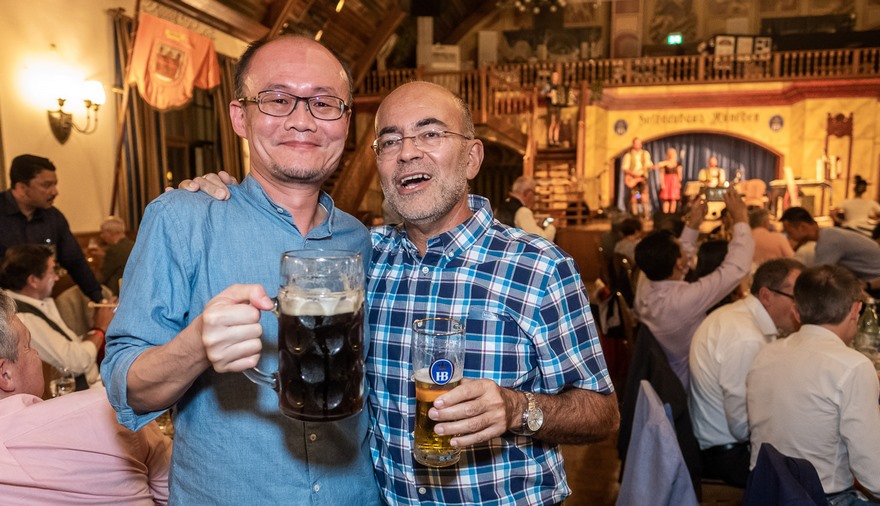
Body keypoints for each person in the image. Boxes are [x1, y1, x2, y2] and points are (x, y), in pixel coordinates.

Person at [187, 81, 620, 505]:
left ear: (472, 158)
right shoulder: (362, 256)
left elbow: (602, 412)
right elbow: (283, 234)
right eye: (390, 141)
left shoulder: (540, 267)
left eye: (430, 134)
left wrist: (516, 409)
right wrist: (218, 200)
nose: (407, 152)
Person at [100, 35, 382, 504]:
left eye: (323, 103)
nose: (302, 119)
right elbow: (126, 388)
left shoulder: (363, 241)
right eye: (277, 99)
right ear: (239, 117)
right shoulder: (182, 219)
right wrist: (194, 347)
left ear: (346, 123)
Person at [746, 264, 880, 503]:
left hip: (765, 492)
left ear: (796, 312)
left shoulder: (765, 354)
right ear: (856, 310)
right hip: (821, 498)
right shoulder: (852, 366)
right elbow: (878, 480)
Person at [0, 291, 171, 503]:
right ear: (5, 375)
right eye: (28, 346)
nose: (38, 355)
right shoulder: (107, 413)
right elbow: (178, 490)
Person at [689, 258, 803, 488]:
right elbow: (741, 426)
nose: (802, 307)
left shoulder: (738, 314)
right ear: (766, 296)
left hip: (723, 441)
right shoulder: (746, 338)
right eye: (796, 298)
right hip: (727, 454)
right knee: (814, 468)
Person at [633, 188, 753, 388]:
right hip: (688, 385)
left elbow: (679, 257)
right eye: (681, 250)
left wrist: (693, 224)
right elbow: (735, 270)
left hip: (662, 376)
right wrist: (741, 219)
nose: (687, 250)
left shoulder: (645, 281)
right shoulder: (681, 301)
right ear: (679, 263)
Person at [0, 244, 112, 390]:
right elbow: (75, 363)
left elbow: (69, 345)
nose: (57, 277)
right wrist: (100, 328)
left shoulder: (38, 304)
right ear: (33, 280)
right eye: (52, 271)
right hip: (76, 394)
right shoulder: (21, 317)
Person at [0, 155, 104, 303]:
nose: (55, 192)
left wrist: (99, 300)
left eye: (55, 185)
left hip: (41, 304)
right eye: (47, 185)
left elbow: (75, 262)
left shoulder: (53, 218)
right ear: (21, 188)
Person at [780, 206, 880, 289]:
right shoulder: (829, 235)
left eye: (789, 232)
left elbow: (818, 277)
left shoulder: (828, 240)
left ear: (802, 227)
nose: (789, 237)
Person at [495, 175, 556, 241]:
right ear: (528, 193)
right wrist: (552, 226)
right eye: (534, 193)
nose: (534, 198)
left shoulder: (500, 207)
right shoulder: (523, 211)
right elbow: (540, 240)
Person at [96, 216, 134, 295]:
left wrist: (100, 260)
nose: (101, 236)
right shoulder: (134, 245)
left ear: (111, 232)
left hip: (117, 293)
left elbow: (102, 277)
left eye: (103, 232)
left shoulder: (113, 250)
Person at [621, 137, 655, 219]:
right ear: (633, 144)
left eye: (639, 143)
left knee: (644, 196)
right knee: (636, 196)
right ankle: (635, 215)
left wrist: (651, 167)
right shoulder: (628, 155)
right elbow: (625, 168)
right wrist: (634, 174)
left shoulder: (645, 154)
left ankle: (646, 215)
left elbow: (649, 165)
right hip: (634, 180)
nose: (638, 145)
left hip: (642, 179)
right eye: (636, 143)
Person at [543, 71, 567, 146]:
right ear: (552, 77)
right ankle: (550, 139)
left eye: (556, 76)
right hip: (551, 106)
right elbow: (543, 93)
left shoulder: (560, 87)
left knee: (557, 123)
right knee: (552, 123)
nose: (555, 77)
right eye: (554, 76)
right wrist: (549, 94)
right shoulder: (548, 86)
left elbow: (562, 96)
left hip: (558, 107)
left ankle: (556, 139)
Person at [658, 147, 682, 214]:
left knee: (673, 199)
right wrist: (662, 183)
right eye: (670, 153)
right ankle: (665, 214)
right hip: (667, 182)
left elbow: (680, 174)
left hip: (674, 183)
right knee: (666, 199)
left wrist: (679, 182)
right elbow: (662, 174)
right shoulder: (664, 164)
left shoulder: (678, 164)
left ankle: (672, 214)